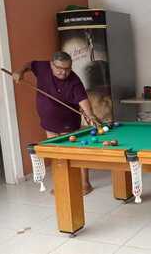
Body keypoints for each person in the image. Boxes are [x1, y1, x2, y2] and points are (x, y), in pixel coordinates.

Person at [13, 51, 100, 195]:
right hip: (48, 121)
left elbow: (82, 100)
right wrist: (19, 71)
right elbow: (30, 64)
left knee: (73, 152)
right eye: (59, 68)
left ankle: (85, 183)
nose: (63, 72)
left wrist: (90, 115)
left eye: (67, 69)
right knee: (55, 153)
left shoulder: (74, 81)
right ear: (51, 64)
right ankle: (62, 183)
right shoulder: (42, 67)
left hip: (67, 120)